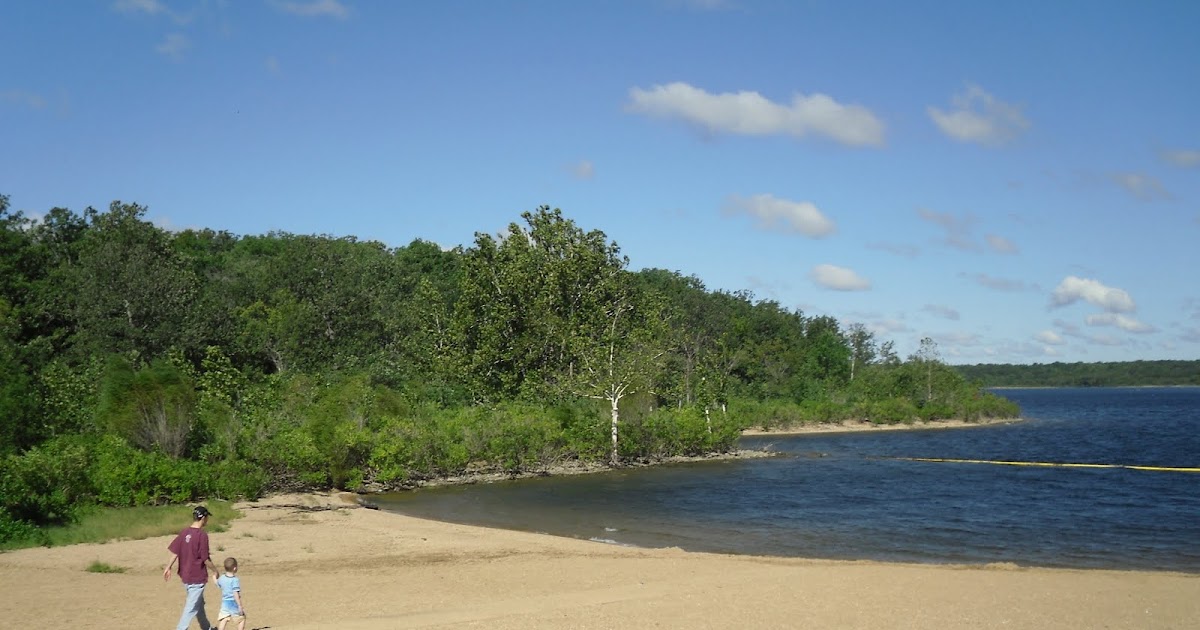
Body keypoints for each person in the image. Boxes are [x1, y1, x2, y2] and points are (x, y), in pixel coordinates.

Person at [164, 506, 221, 630]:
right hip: (196, 576)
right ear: (203, 518)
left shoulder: (184, 532)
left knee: (198, 605)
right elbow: (205, 558)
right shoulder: (202, 535)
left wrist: (168, 567)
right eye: (207, 518)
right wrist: (215, 571)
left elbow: (175, 551)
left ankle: (207, 628)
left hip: (185, 575)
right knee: (191, 607)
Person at [215, 557, 247, 630]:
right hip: (233, 602)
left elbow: (217, 584)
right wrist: (239, 605)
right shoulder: (235, 580)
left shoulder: (222, 577)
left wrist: (214, 578)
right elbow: (235, 593)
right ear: (235, 568)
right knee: (241, 618)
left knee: (224, 618)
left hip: (224, 602)